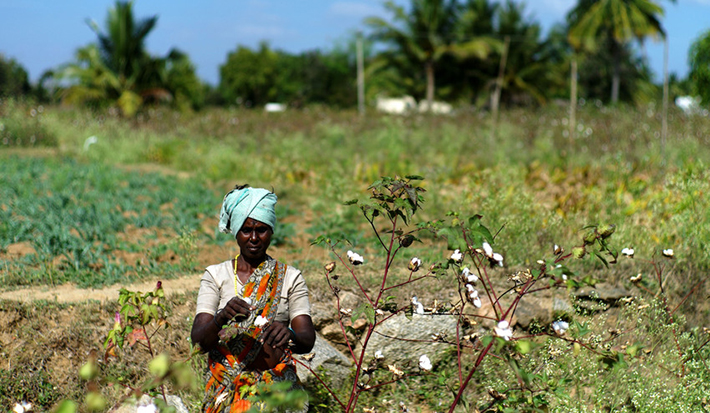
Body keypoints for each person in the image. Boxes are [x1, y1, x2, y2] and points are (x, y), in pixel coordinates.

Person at [191, 185, 315, 413]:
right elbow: (198, 341)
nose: (254, 238)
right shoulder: (216, 276)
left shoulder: (289, 277)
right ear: (237, 231)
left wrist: (290, 335)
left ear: (272, 231)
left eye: (262, 230)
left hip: (277, 387)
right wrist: (221, 318)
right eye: (247, 230)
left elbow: (307, 339)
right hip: (227, 390)